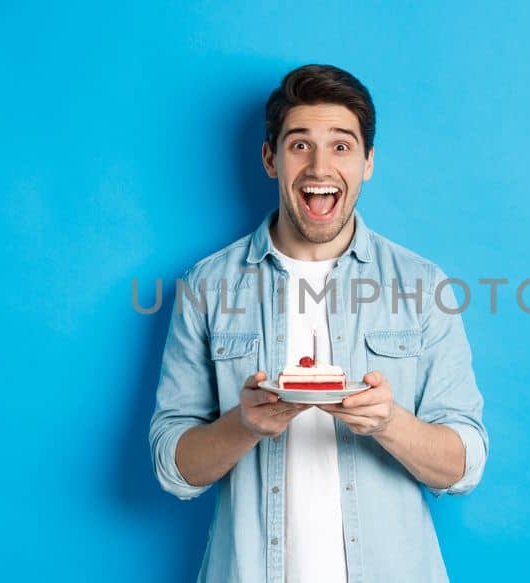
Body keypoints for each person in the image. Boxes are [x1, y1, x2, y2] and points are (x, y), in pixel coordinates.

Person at [148, 64, 488, 582]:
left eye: (342, 146)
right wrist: (245, 423)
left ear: (368, 162)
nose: (319, 167)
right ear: (271, 158)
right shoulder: (206, 286)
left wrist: (387, 421)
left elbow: (464, 466)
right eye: (300, 145)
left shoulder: (423, 285)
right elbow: (174, 469)